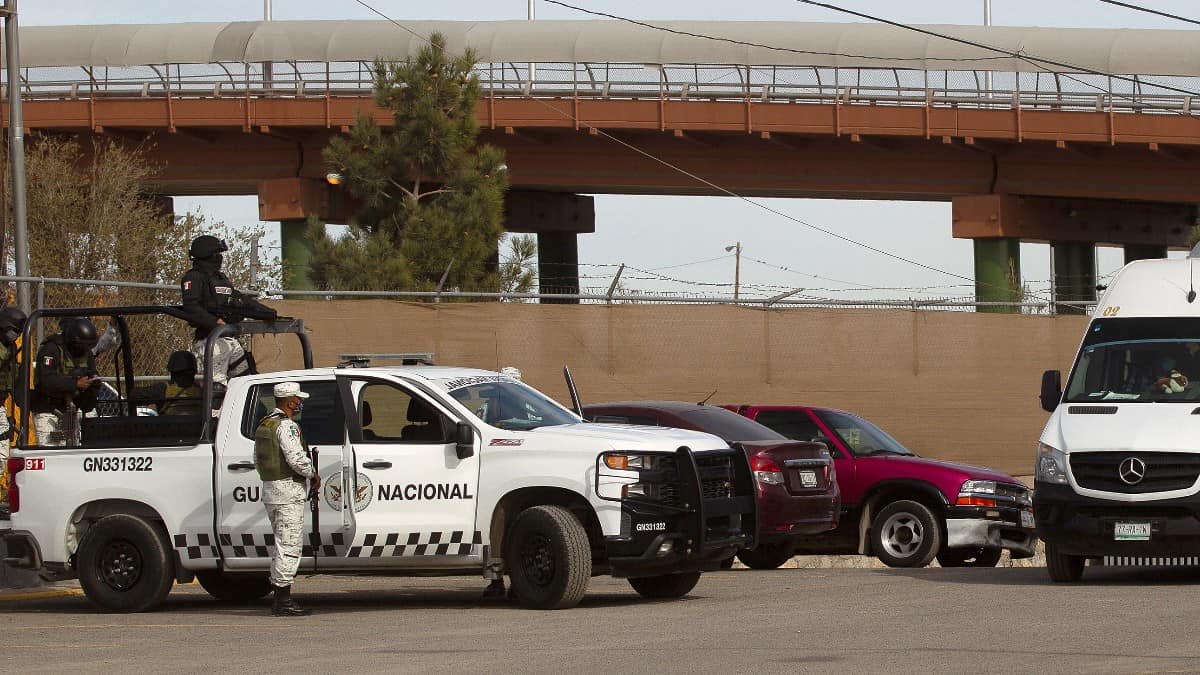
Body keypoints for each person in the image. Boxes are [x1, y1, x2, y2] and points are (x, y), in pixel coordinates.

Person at [254, 381, 317, 617]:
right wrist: (313, 474)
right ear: (290, 401)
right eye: (298, 399)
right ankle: (283, 599)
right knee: (289, 545)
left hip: (272, 489)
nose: (300, 403)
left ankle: (281, 596)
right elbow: (297, 459)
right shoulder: (287, 426)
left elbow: (257, 459)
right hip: (288, 491)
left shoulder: (265, 423)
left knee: (281, 543)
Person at [180, 234, 275, 386]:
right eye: (217, 254)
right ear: (208, 255)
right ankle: (215, 411)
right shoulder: (194, 277)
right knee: (216, 389)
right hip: (210, 342)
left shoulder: (220, 278)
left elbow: (239, 299)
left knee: (248, 383)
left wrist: (265, 311)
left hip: (230, 339)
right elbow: (191, 307)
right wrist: (215, 322)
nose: (220, 258)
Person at [31, 318, 100, 447]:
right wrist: (75, 384)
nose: (85, 350)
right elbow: (47, 380)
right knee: (53, 450)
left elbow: (92, 373)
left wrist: (93, 382)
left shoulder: (86, 352)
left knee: (71, 451)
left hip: (70, 411)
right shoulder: (52, 349)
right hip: (49, 410)